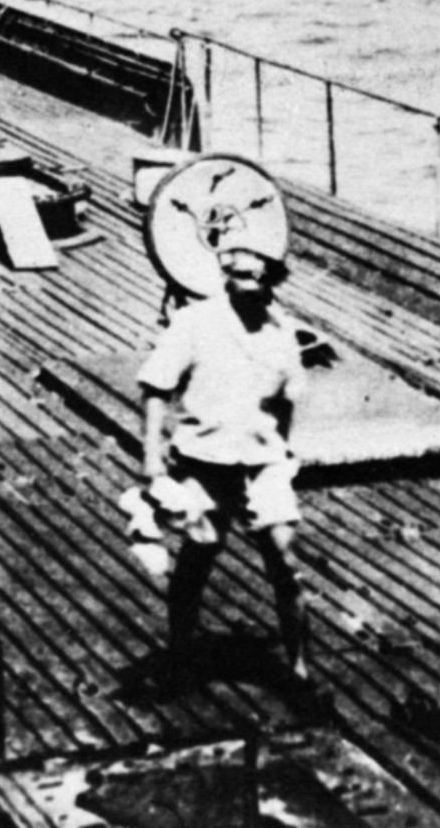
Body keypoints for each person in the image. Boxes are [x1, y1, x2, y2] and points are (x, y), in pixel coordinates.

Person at [137, 241, 310, 684]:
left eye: (262, 277)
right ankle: (179, 654)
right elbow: (157, 386)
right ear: (226, 276)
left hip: (262, 462)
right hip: (205, 462)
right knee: (199, 557)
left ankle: (298, 669)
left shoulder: (283, 331)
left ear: (274, 280)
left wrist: (283, 457)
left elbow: (287, 402)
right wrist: (153, 460)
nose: (253, 285)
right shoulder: (194, 322)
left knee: (286, 563)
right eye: (243, 276)